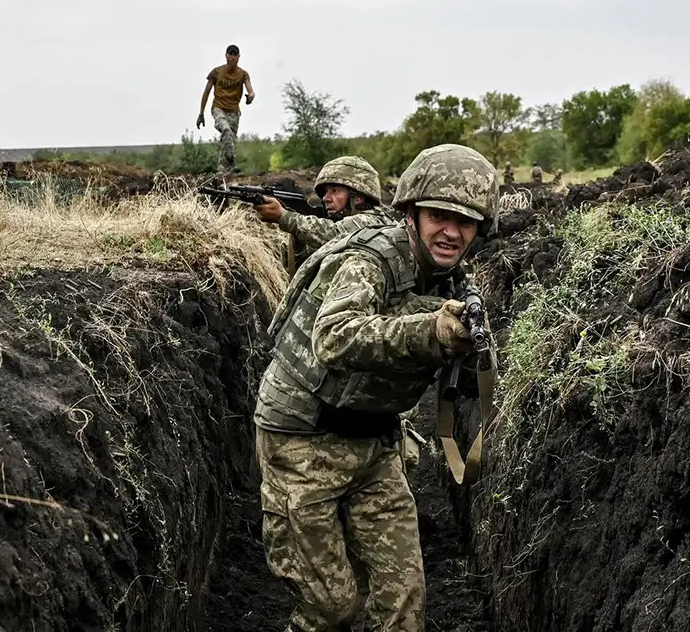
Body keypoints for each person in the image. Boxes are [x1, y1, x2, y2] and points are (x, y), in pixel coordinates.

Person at [254, 143, 499, 631]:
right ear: (412, 213)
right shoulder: (371, 261)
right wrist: (429, 331)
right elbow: (333, 336)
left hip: (375, 442)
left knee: (402, 603)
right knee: (331, 609)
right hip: (303, 440)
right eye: (439, 216)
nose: (452, 232)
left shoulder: (452, 280)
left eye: (466, 221)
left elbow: (465, 380)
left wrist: (468, 351)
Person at [252, 155, 394, 256]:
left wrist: (284, 216)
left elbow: (333, 233)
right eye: (326, 192)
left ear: (358, 198)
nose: (326, 198)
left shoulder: (372, 222)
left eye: (335, 191)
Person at [197, 44, 254, 173]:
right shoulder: (217, 72)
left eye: (235, 55)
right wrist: (201, 113)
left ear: (238, 57)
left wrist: (251, 96)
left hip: (234, 111)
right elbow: (206, 93)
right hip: (219, 108)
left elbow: (250, 89)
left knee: (229, 141)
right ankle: (231, 161)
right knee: (226, 130)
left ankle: (223, 171)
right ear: (226, 56)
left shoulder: (243, 74)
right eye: (230, 54)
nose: (232, 57)